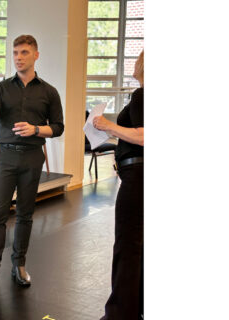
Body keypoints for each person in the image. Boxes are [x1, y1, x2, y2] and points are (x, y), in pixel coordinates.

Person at [0, 35, 64, 294]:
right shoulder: (1, 88)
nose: (18, 57)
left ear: (36, 55)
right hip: (6, 157)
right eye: (15, 52)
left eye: (24, 52)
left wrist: (36, 129)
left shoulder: (49, 91)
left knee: (25, 215)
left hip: (32, 157)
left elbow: (58, 128)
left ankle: (19, 266)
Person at [92, 50, 145, 320]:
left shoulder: (142, 95)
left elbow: (143, 135)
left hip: (138, 179)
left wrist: (108, 126)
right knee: (140, 245)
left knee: (128, 245)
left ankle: (120, 314)